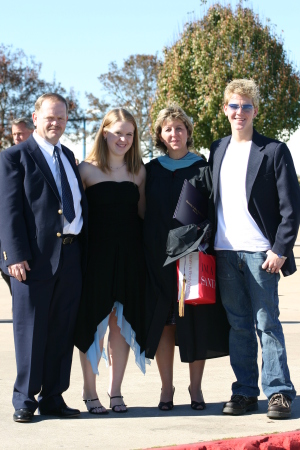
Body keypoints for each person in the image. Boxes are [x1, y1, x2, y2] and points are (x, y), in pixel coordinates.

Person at [209, 79, 300, 419]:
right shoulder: (217, 149)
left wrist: (280, 248)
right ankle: (245, 391)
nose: (240, 112)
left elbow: (292, 207)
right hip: (224, 253)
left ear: (256, 111)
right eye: (234, 105)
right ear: (225, 109)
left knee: (267, 323)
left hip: (262, 255)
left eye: (247, 106)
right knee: (239, 326)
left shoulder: (273, 150)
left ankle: (278, 392)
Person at [0, 93, 88, 423]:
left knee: (61, 331)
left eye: (62, 117)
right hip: (32, 260)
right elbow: (7, 212)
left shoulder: (67, 154)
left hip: (70, 255)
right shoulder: (14, 157)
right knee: (30, 331)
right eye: (50, 117)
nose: (56, 123)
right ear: (35, 118)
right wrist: (14, 256)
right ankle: (25, 398)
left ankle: (53, 396)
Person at [144, 104, 229, 411]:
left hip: (192, 257)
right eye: (168, 128)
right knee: (164, 323)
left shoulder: (202, 167)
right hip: (158, 257)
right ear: (160, 134)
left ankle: (196, 388)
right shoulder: (151, 169)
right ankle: (167, 389)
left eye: (180, 128)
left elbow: (212, 212)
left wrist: (201, 243)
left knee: (195, 321)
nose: (174, 133)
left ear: (188, 133)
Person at [74, 108, 148, 414]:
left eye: (129, 134)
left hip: (131, 257)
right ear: (104, 132)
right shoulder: (85, 170)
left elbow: (143, 216)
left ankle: (115, 391)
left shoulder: (139, 171)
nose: (124, 139)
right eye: (118, 132)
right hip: (96, 259)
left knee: (122, 326)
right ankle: (89, 393)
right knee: (94, 326)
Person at [0, 118, 35, 294]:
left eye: (20, 133)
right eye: (14, 134)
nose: (16, 138)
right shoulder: (9, 158)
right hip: (11, 245)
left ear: (33, 131)